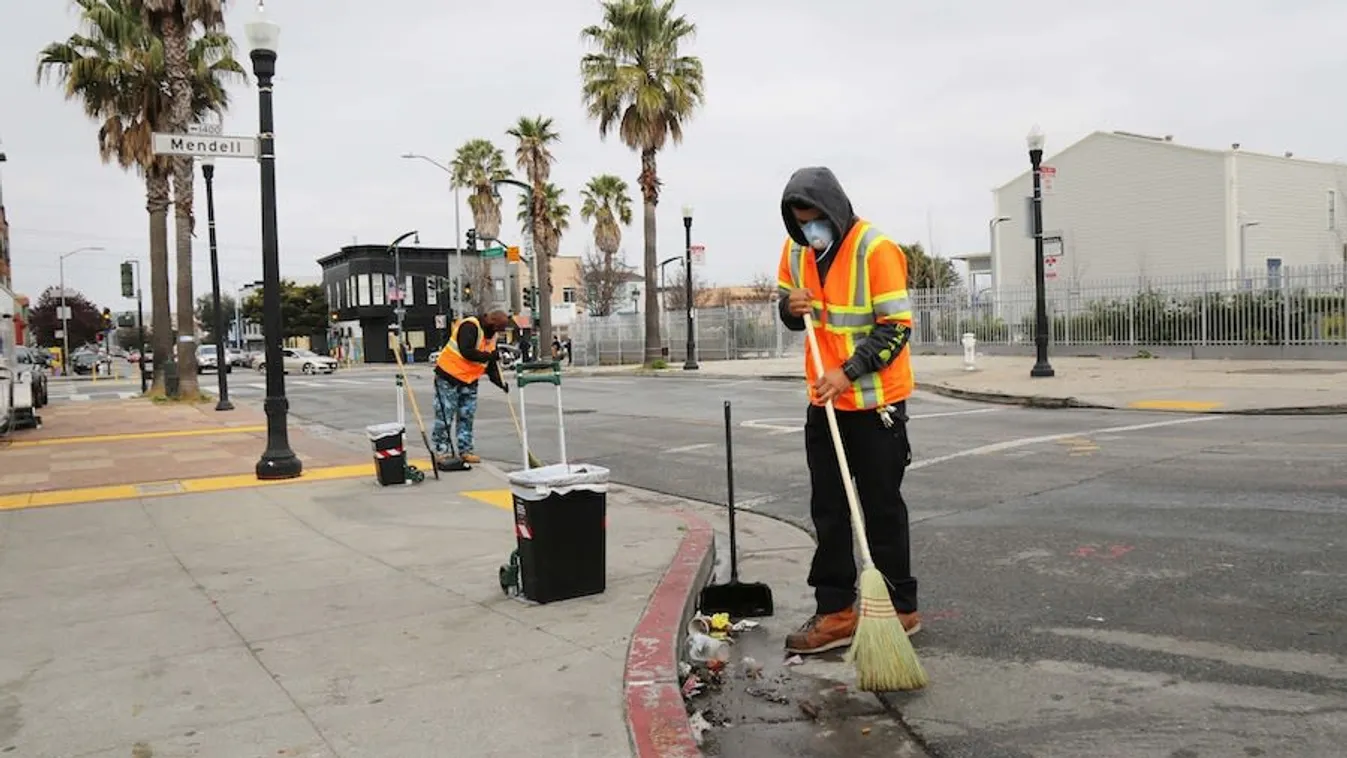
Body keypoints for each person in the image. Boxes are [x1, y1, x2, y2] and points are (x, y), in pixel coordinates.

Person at [775, 166, 921, 655]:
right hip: (825, 401)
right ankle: (836, 611)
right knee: (830, 510)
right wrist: (788, 308)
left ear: (835, 210)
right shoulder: (797, 251)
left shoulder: (875, 250)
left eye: (815, 220)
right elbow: (794, 313)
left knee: (881, 508)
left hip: (876, 403)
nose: (809, 230)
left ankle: (901, 608)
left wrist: (849, 371)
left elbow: (896, 328)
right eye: (800, 222)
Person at [433, 308, 510, 466]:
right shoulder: (470, 326)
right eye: (498, 329)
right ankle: (441, 451)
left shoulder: (491, 336)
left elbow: (490, 365)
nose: (497, 332)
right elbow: (466, 351)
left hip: (469, 380)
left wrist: (500, 383)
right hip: (449, 376)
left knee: (466, 416)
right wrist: (490, 356)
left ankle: (465, 450)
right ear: (491, 322)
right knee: (445, 416)